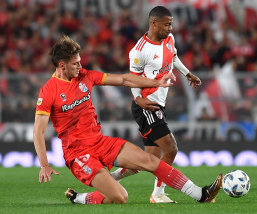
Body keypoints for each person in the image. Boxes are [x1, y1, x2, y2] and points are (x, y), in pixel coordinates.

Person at [33, 35, 222, 205]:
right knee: (120, 196)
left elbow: (124, 80)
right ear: (62, 65)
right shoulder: (49, 91)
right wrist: (44, 164)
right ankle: (80, 198)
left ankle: (200, 194)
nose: (80, 67)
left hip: (100, 142)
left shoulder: (85, 76)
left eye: (80, 62)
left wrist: (156, 82)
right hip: (78, 153)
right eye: (75, 63)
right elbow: (38, 131)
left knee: (149, 161)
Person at [111, 6, 202, 203]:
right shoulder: (139, 50)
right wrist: (138, 99)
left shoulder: (169, 40)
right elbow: (132, 78)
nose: (170, 28)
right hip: (147, 105)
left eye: (171, 24)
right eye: (167, 24)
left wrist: (188, 74)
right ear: (154, 23)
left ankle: (110, 179)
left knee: (148, 158)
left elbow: (174, 58)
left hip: (158, 104)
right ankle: (158, 194)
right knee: (170, 149)